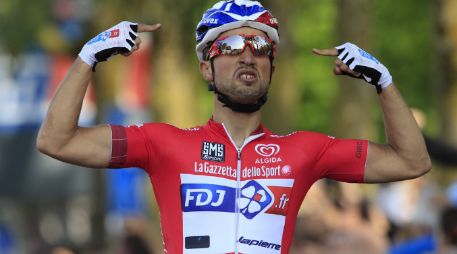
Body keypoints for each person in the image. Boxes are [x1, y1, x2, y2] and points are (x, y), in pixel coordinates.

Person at [36, 0, 431, 253]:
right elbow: (56, 140)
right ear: (206, 66)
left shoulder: (306, 150)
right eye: (229, 46)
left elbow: (411, 162)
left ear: (272, 68)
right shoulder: (162, 142)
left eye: (260, 48)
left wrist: (384, 81)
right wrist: (89, 56)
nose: (247, 56)